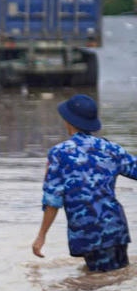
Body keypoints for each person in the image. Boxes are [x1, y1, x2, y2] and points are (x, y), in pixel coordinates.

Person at [33, 94, 136, 272]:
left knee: (98, 290)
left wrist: (41, 236)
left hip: (89, 232)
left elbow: (52, 200)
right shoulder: (112, 149)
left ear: (68, 121)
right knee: (116, 279)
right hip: (116, 229)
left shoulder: (59, 153)